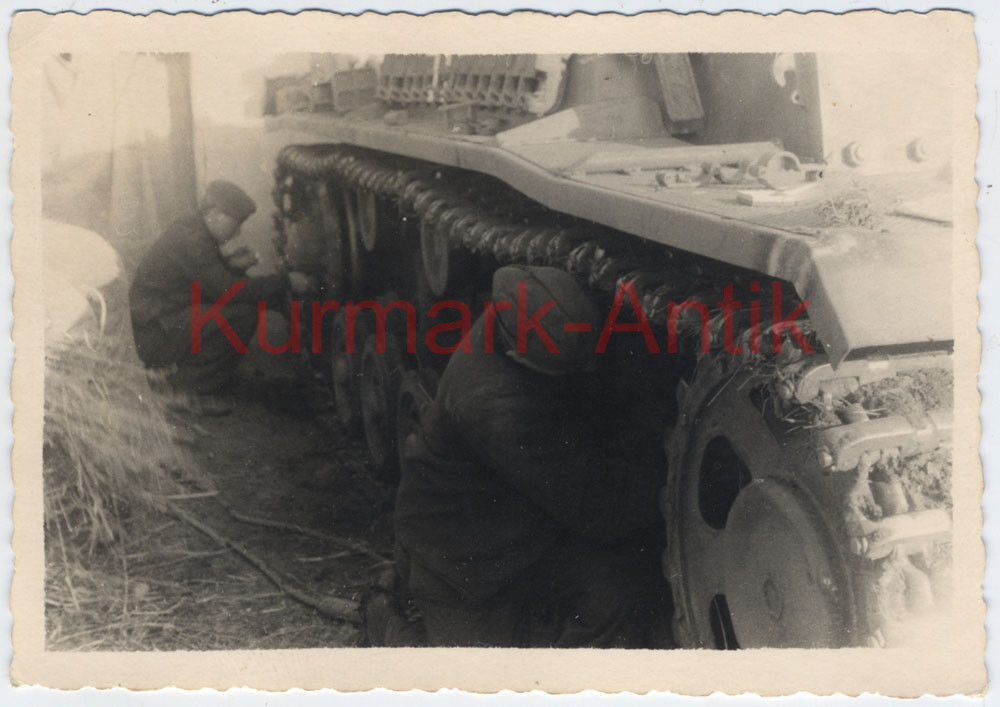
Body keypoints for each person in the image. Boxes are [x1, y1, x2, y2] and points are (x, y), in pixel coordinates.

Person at [387, 265, 672, 648]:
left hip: (526, 524)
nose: (590, 368)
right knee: (482, 676)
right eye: (572, 367)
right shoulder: (491, 405)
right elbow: (599, 507)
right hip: (463, 562)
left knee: (617, 594)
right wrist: (672, 476)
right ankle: (384, 614)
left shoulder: (527, 318)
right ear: (516, 356)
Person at [129, 180, 309, 413]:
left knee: (238, 304)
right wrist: (285, 282)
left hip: (158, 321)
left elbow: (199, 278)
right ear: (215, 213)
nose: (238, 232)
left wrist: (230, 265)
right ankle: (184, 391)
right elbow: (225, 291)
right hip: (154, 333)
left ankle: (185, 376)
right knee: (242, 316)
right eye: (236, 223)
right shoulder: (193, 238)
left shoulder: (192, 227)